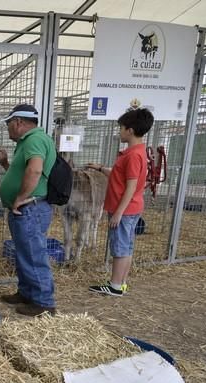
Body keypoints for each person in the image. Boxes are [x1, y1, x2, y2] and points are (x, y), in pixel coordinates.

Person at [0, 104, 57, 316]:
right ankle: (26, 293)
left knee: (33, 254)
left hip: (30, 208)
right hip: (29, 209)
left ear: (19, 122)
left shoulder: (34, 140)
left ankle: (44, 302)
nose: (8, 128)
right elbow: (23, 171)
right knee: (24, 252)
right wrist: (6, 165)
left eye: (9, 124)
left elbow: (35, 169)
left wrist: (20, 199)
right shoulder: (31, 141)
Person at [86, 108, 153, 296]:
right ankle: (121, 283)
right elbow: (120, 176)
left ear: (130, 130)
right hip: (132, 208)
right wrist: (100, 168)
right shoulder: (136, 151)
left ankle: (115, 286)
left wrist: (118, 212)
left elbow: (130, 187)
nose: (119, 132)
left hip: (124, 209)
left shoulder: (132, 155)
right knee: (127, 245)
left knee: (119, 247)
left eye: (121, 128)